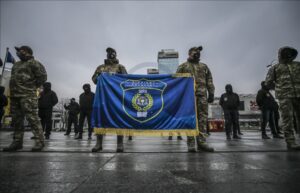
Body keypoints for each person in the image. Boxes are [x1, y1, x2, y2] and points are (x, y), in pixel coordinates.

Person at [3, 46, 47, 152]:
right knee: (17, 120)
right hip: (14, 96)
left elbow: (43, 77)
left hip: (28, 96)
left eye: (21, 50)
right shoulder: (16, 64)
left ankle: (39, 142)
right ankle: (17, 142)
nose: (18, 52)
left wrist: (31, 87)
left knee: (33, 119)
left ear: (27, 52)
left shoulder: (34, 63)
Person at [176, 46, 215, 152]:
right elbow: (176, 82)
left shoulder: (204, 66)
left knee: (202, 119)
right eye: (195, 52)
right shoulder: (183, 67)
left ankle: (202, 142)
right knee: (189, 119)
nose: (197, 54)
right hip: (188, 97)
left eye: (198, 52)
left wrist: (211, 93)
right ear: (189, 53)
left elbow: (209, 80)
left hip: (202, 96)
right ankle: (191, 143)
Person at [91, 47, 127, 152]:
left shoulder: (120, 67)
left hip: (117, 97)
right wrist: (100, 77)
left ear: (115, 54)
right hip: (102, 97)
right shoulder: (100, 67)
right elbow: (94, 79)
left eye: (112, 53)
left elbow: (126, 79)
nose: (111, 54)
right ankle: (99, 143)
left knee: (119, 119)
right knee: (100, 118)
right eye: (109, 53)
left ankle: (120, 144)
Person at [265, 46, 300, 150]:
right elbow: (268, 83)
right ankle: (290, 141)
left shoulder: (297, 65)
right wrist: (279, 88)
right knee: (287, 118)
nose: (287, 54)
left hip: (299, 94)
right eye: (285, 52)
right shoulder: (275, 68)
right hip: (284, 96)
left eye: (289, 52)